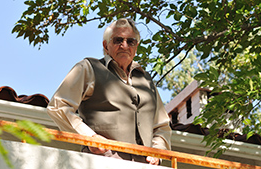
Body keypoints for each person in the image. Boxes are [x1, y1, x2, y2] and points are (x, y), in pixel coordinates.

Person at [47, 18, 171, 165]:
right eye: (118, 40)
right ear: (106, 45)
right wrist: (90, 137)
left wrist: (157, 152)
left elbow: (161, 126)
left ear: (136, 47)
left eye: (130, 41)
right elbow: (58, 106)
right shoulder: (89, 68)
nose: (124, 46)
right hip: (103, 161)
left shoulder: (146, 81)